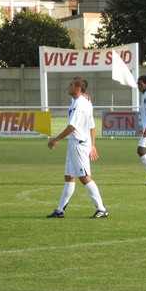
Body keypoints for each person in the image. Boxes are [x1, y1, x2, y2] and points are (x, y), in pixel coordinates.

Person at [46, 77, 108, 219]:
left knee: (84, 177)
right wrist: (92, 145)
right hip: (75, 143)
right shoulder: (81, 103)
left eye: (71, 85)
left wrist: (56, 139)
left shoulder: (80, 104)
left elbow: (72, 127)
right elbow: (92, 126)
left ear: (78, 88)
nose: (68, 87)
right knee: (69, 176)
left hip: (79, 144)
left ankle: (102, 209)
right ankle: (60, 210)